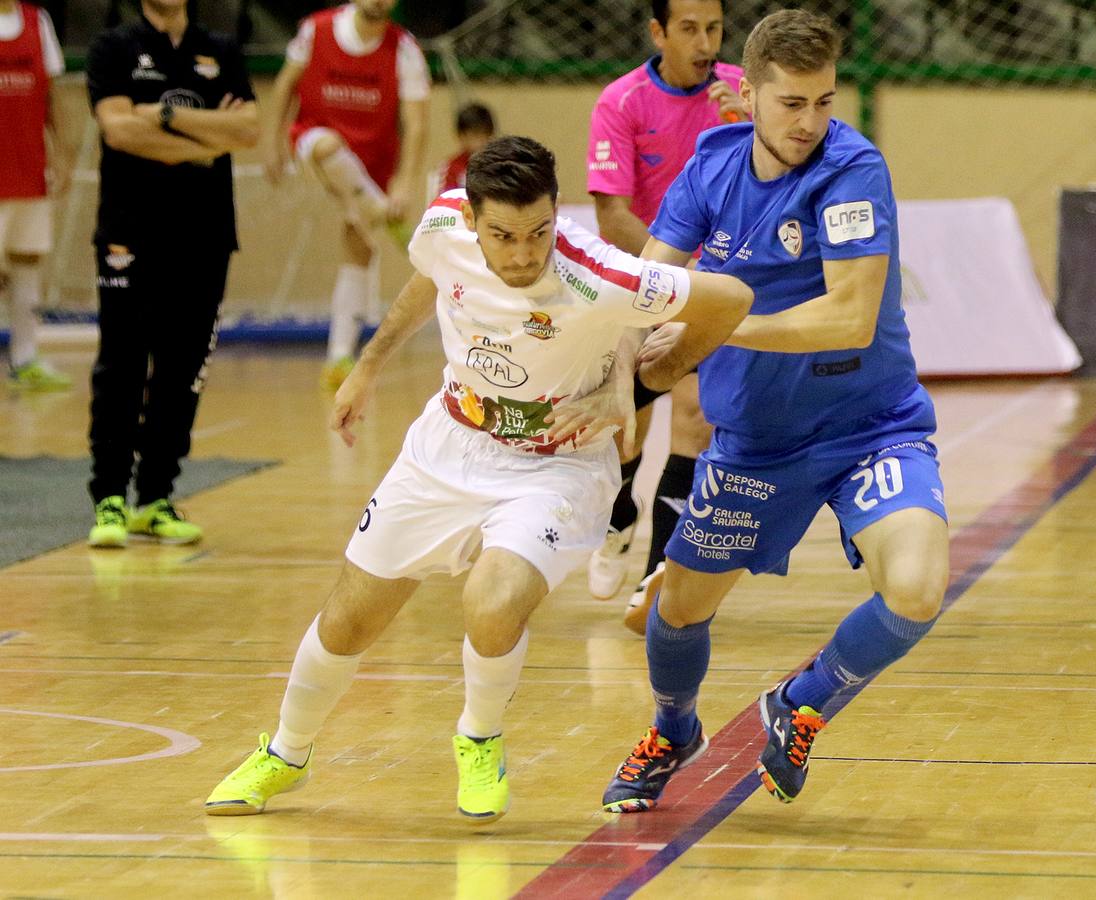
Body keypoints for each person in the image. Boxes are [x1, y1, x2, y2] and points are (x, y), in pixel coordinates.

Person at [204, 136, 752, 824]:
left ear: (558, 213)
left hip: (557, 464)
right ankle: (285, 752)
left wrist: (643, 382)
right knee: (348, 620)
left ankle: (479, 737)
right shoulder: (441, 225)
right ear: (471, 219)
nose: (523, 254)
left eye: (538, 233)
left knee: (493, 601)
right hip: (449, 445)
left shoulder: (596, 271)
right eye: (503, 236)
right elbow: (431, 277)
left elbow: (729, 299)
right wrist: (369, 364)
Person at [601, 9, 949, 814]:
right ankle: (673, 729)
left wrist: (718, 326)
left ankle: (803, 701)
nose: (810, 122)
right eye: (792, 103)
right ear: (747, 93)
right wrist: (615, 369)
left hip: (872, 425)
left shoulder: (852, 170)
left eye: (824, 101)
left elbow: (849, 316)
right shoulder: (710, 168)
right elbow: (648, 286)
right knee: (677, 613)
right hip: (758, 442)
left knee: (919, 587)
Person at [585, 0, 748, 619]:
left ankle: (656, 577)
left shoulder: (742, 93)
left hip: (720, 285)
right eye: (689, 29)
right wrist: (678, 277)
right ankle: (619, 511)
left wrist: (750, 125)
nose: (705, 42)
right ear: (658, 32)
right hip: (644, 273)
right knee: (627, 425)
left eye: (714, 29)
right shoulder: (621, 102)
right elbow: (611, 214)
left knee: (696, 417)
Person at [84, 0, 258, 548]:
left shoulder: (221, 50)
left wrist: (161, 116)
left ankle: (155, 497)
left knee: (182, 371)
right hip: (129, 232)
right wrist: (207, 143)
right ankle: (110, 498)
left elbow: (249, 130)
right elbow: (117, 131)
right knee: (123, 364)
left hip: (204, 236)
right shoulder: (113, 47)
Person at [263, 0, 430, 390]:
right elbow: (286, 84)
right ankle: (378, 212)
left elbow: (417, 123)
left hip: (373, 163)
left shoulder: (404, 49)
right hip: (314, 136)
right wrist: (272, 144)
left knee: (359, 248)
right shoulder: (316, 29)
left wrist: (404, 183)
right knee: (326, 146)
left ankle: (338, 356)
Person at [0, 0, 72, 390]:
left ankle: (25, 358)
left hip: (27, 165)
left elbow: (52, 90)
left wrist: (61, 150)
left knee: (27, 260)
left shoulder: (36, 21)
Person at [438, 102, 494, 193]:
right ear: (461, 136)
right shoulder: (452, 167)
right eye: (474, 135)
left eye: (484, 134)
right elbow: (447, 198)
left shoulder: (497, 165)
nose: (479, 142)